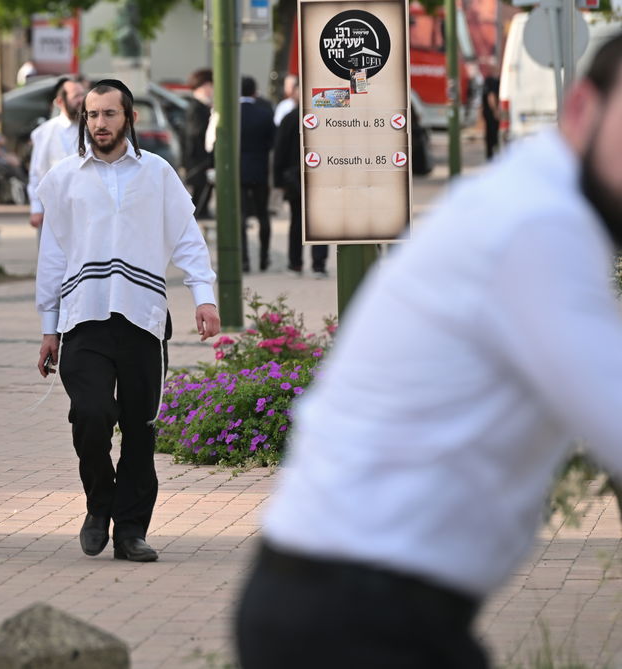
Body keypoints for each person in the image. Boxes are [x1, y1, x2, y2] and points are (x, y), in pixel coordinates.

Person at [235, 34, 622, 668]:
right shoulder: (537, 223)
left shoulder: (529, 199)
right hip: (354, 614)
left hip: (344, 602)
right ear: (581, 109)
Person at [35, 79, 220, 563]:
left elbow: (186, 239)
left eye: (108, 114)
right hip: (84, 319)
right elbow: (52, 255)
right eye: (91, 115)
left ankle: (131, 530)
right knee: (91, 416)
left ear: (129, 118)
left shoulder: (157, 173)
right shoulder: (64, 178)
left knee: (140, 428)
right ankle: (100, 505)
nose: (99, 123)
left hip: (143, 319)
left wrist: (204, 297)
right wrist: (48, 327)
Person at [271, 85, 328, 277]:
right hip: (321, 176)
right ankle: (318, 265)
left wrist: (278, 179)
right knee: (320, 221)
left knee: (297, 221)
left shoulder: (290, 118)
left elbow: (280, 150)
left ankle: (295, 263)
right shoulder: (326, 117)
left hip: (295, 178)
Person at [27, 76, 87, 229]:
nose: (82, 100)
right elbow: (37, 172)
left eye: (83, 95)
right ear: (60, 102)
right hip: (53, 208)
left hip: (86, 208)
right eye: (76, 96)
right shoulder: (44, 132)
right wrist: (36, 208)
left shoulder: (93, 130)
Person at [239, 76, 277, 272]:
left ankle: (243, 259)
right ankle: (264, 257)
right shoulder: (264, 114)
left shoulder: (231, 114)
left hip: (238, 172)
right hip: (260, 170)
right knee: (263, 215)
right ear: (255, 92)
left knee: (241, 217)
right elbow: (273, 142)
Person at [183, 69, 215, 219]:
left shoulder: (199, 106)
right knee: (200, 195)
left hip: (199, 158)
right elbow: (197, 133)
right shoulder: (197, 107)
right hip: (199, 159)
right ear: (205, 85)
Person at [482, 72, 501, 160]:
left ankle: (490, 155)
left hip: (488, 113)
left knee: (489, 135)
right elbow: (491, 97)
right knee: (493, 135)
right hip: (492, 113)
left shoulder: (488, 81)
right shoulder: (493, 81)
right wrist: (495, 110)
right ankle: (493, 156)